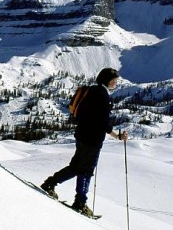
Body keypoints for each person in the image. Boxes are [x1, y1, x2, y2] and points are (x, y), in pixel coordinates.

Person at [40, 67, 127, 216]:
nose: (116, 84)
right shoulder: (102, 95)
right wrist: (117, 136)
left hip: (81, 135)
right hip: (92, 139)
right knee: (86, 170)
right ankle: (80, 202)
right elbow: (103, 123)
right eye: (114, 81)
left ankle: (50, 184)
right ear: (109, 81)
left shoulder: (92, 91)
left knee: (75, 167)